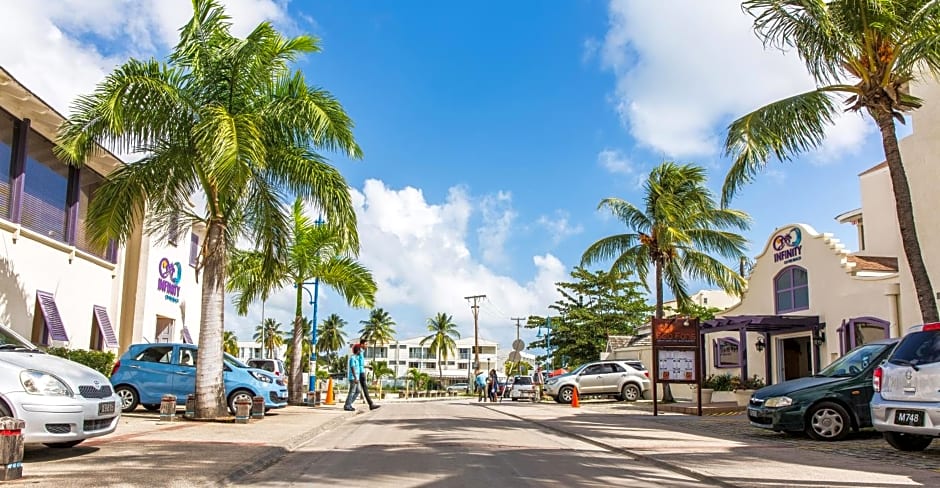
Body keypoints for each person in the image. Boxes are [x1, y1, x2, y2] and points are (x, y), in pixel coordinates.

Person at [357, 339, 380, 410]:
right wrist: (367, 367)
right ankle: (370, 404)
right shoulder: (359, 352)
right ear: (362, 344)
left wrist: (367, 367)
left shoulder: (361, 352)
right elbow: (358, 364)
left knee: (360, 389)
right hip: (360, 372)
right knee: (361, 389)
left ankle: (370, 403)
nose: (367, 346)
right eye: (366, 344)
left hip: (361, 372)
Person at [343, 344, 363, 411]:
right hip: (353, 378)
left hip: (357, 377)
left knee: (358, 391)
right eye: (360, 350)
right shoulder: (352, 358)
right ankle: (347, 405)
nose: (361, 351)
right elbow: (352, 367)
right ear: (357, 350)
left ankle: (348, 404)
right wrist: (355, 377)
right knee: (352, 392)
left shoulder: (357, 359)